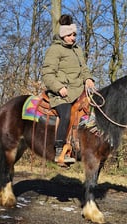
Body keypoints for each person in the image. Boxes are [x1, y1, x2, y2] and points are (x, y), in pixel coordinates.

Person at [42, 14, 95, 164]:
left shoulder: (77, 50)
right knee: (65, 115)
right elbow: (47, 73)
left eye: (75, 34)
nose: (73, 38)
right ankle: (59, 150)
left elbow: (83, 68)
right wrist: (59, 88)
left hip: (79, 91)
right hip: (61, 94)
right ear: (64, 35)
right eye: (70, 35)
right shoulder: (54, 49)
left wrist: (88, 78)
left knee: (93, 113)